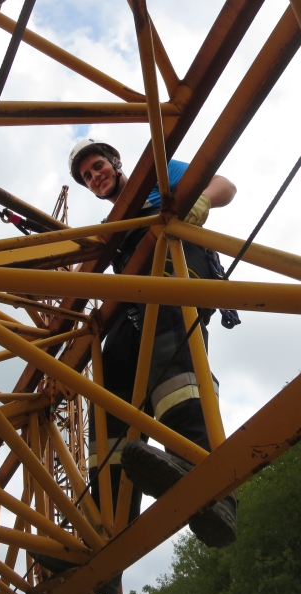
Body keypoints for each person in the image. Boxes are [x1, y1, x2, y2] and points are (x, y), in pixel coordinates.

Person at [68, 139, 241, 551]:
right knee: (109, 376)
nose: (95, 177)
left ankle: (201, 469)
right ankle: (105, 524)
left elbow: (226, 185)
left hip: (178, 273)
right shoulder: (112, 223)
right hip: (136, 302)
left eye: (98, 166)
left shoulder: (158, 177)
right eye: (88, 176)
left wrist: (200, 201)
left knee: (169, 340)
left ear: (116, 162)